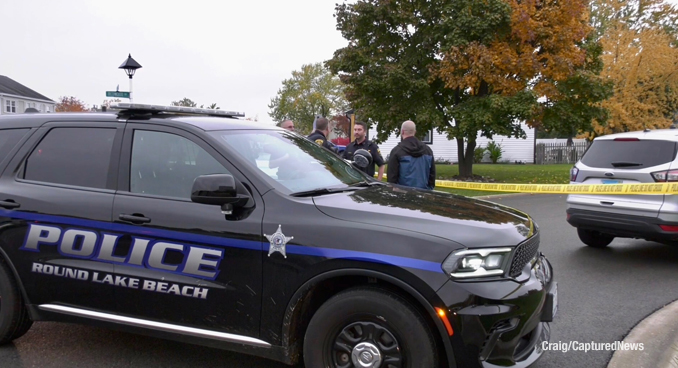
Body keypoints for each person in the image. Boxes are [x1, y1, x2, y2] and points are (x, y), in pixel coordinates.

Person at [387, 120, 436, 190]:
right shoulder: (428, 150)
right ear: (415, 132)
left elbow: (392, 179)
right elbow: (432, 176)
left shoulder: (396, 151)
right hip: (423, 194)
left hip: (403, 195)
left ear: (402, 132)